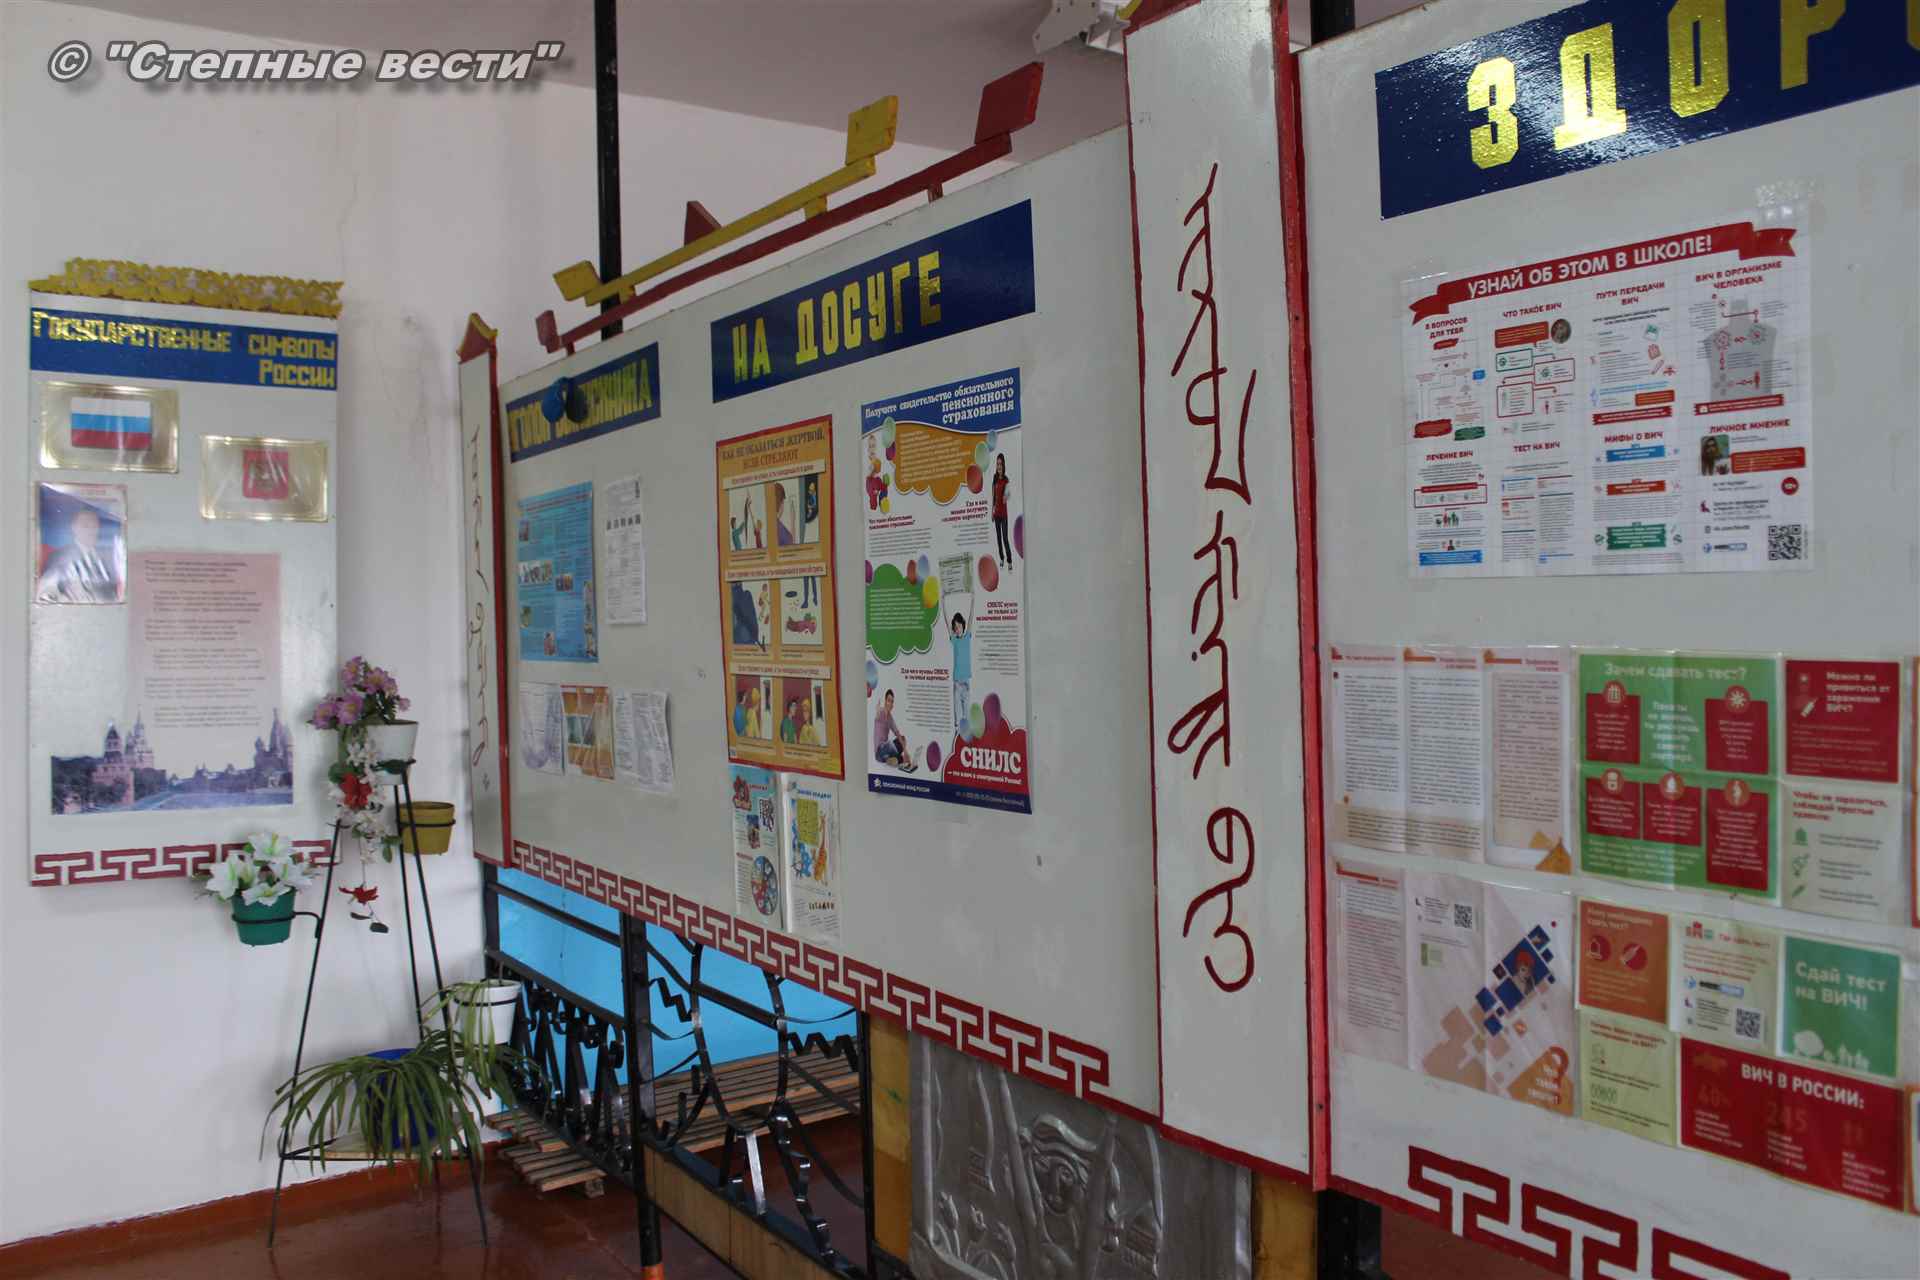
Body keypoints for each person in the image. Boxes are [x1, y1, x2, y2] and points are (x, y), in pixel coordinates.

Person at [36, 505, 121, 604]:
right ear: (74, 527)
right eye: (86, 525)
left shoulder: (108, 558)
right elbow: (45, 595)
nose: (91, 530)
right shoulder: (60, 557)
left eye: (94, 525)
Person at [950, 597, 975, 738]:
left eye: (959, 626)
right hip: (956, 683)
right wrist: (943, 603)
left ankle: (966, 735)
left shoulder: (967, 637)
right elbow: (947, 622)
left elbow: (971, 618)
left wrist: (973, 600)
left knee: (967, 713)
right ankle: (957, 734)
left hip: (965, 682)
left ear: (963, 626)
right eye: (955, 627)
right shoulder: (954, 640)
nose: (958, 629)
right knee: (957, 714)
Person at [873, 689, 912, 770]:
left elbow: (897, 733)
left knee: (902, 739)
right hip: (879, 751)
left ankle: (893, 759)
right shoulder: (880, 712)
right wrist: (877, 710)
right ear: (885, 701)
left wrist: (905, 751)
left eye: (892, 701)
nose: (890, 703)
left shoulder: (890, 717)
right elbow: (877, 716)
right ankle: (894, 759)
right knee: (890, 745)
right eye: (888, 700)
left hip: (886, 750)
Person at [991, 454, 1012, 567]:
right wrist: (992, 512)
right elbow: (993, 497)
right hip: (996, 514)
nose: (999, 466)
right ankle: (1002, 558)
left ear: (1003, 465)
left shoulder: (1006, 480)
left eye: (1000, 464)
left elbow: (1008, 494)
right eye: (997, 464)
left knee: (1005, 538)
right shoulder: (994, 479)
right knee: (998, 538)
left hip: (1004, 515)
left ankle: (1009, 561)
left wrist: (1006, 496)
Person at [773, 483, 795, 547]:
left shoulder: (773, 524)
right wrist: (793, 521)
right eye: (783, 502)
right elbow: (792, 544)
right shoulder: (779, 527)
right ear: (781, 503)